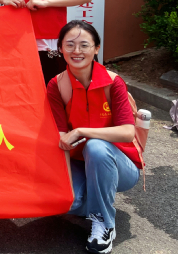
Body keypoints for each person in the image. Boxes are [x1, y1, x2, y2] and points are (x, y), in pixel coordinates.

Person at [47, 20, 141, 254]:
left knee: (96, 147)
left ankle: (104, 223)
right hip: (79, 164)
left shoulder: (113, 82)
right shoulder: (57, 85)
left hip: (121, 167)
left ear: (96, 48)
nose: (76, 51)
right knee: (66, 202)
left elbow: (127, 132)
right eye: (69, 44)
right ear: (60, 48)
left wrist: (82, 131)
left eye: (84, 45)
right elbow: (61, 137)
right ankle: (97, 199)